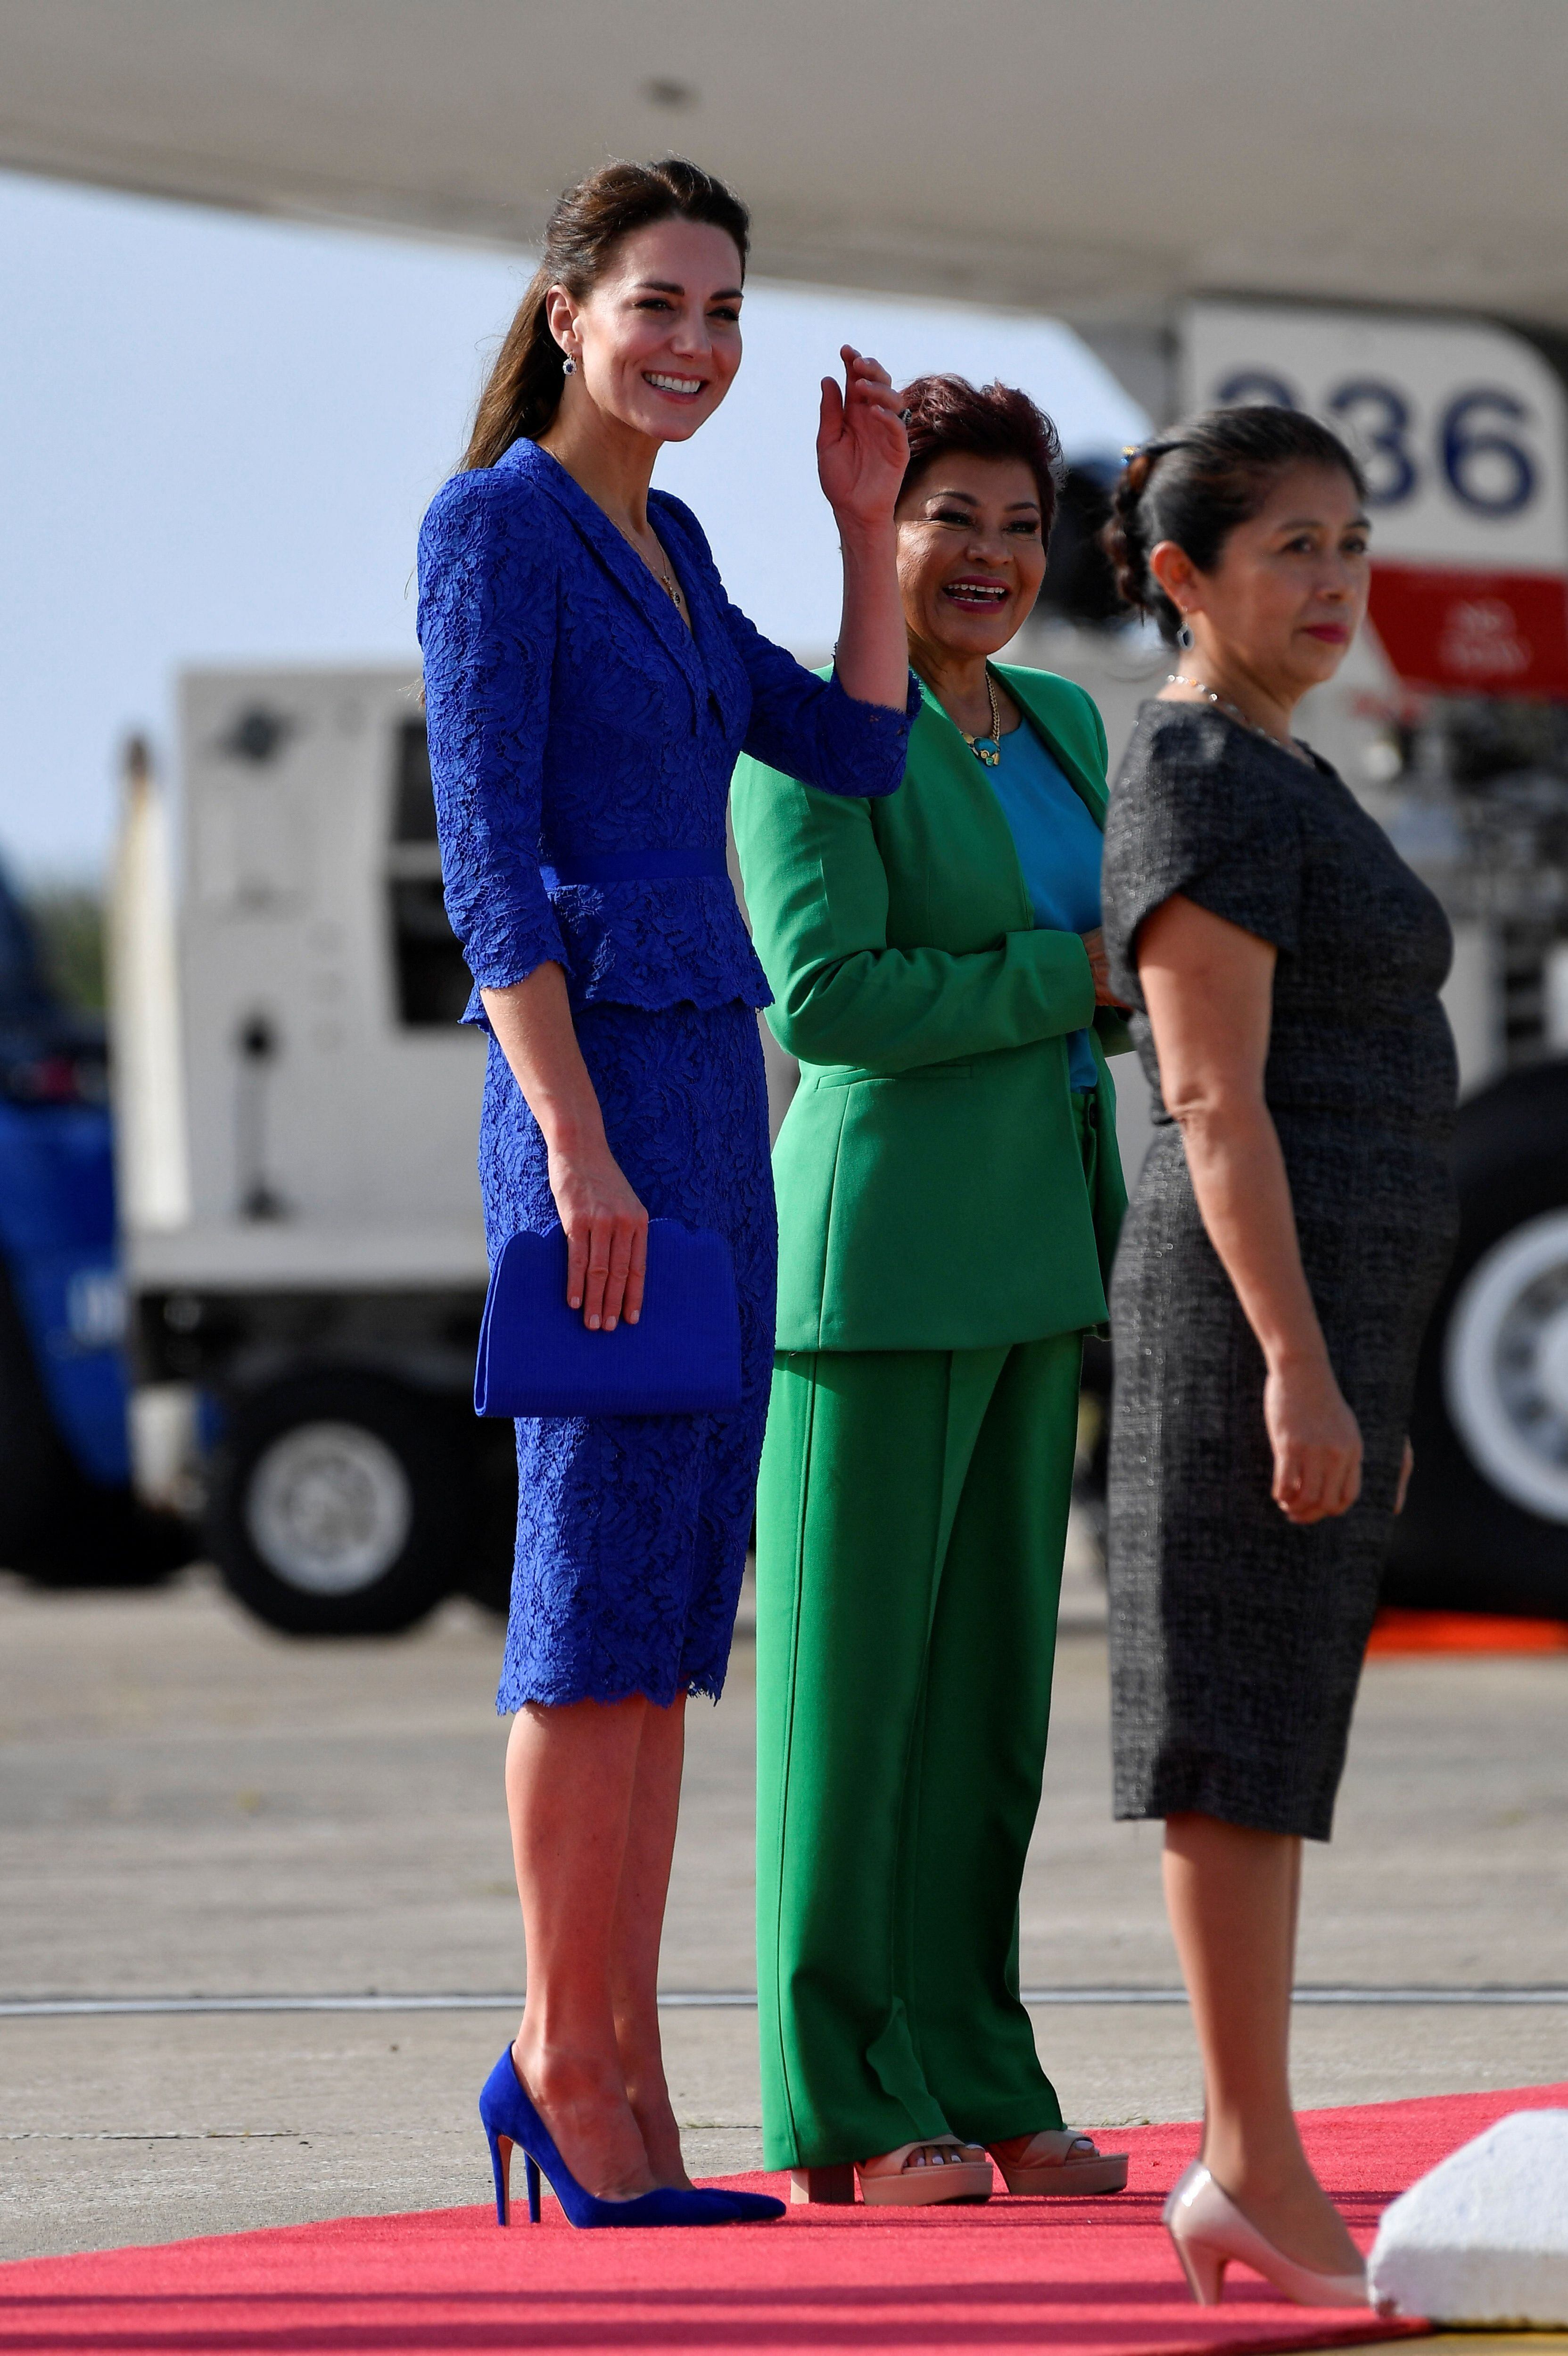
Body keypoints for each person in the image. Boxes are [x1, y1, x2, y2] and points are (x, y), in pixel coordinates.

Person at [417, 157, 916, 2229]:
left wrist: (863, 528)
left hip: (715, 1095)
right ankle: (566, 2059)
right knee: (581, 1604)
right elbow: (485, 860)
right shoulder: (494, 532)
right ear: (565, 313)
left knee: (662, 1614)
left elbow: (862, 753)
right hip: (596, 1110)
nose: (695, 343)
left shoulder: (679, 540)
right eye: (658, 305)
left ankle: (617, 2059)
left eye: (722, 309)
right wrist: (574, 1144)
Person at [732, 375, 1131, 2208]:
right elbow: (827, 1002)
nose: (985, 554)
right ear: (877, 535)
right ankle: (842, 2103)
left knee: (988, 1714)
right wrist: (1061, 976)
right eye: (945, 515)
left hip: (1038, 1248)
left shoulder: (1057, 722)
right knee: (851, 1707)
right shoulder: (811, 737)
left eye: (1015, 522)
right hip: (875, 1266)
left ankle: (981, 2066)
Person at [1098, 407, 1458, 2304]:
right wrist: (1296, 1368)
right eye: (1287, 548)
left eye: (1347, 540)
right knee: (1230, 1741)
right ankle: (1246, 2162)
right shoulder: (1200, 771)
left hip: (1309, 1321)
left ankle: (1255, 2160)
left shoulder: (1274, 763)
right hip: (1246, 1314)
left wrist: (1347, 1369)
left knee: (1271, 1734)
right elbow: (1210, 1098)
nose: (1329, 581)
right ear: (1181, 575)